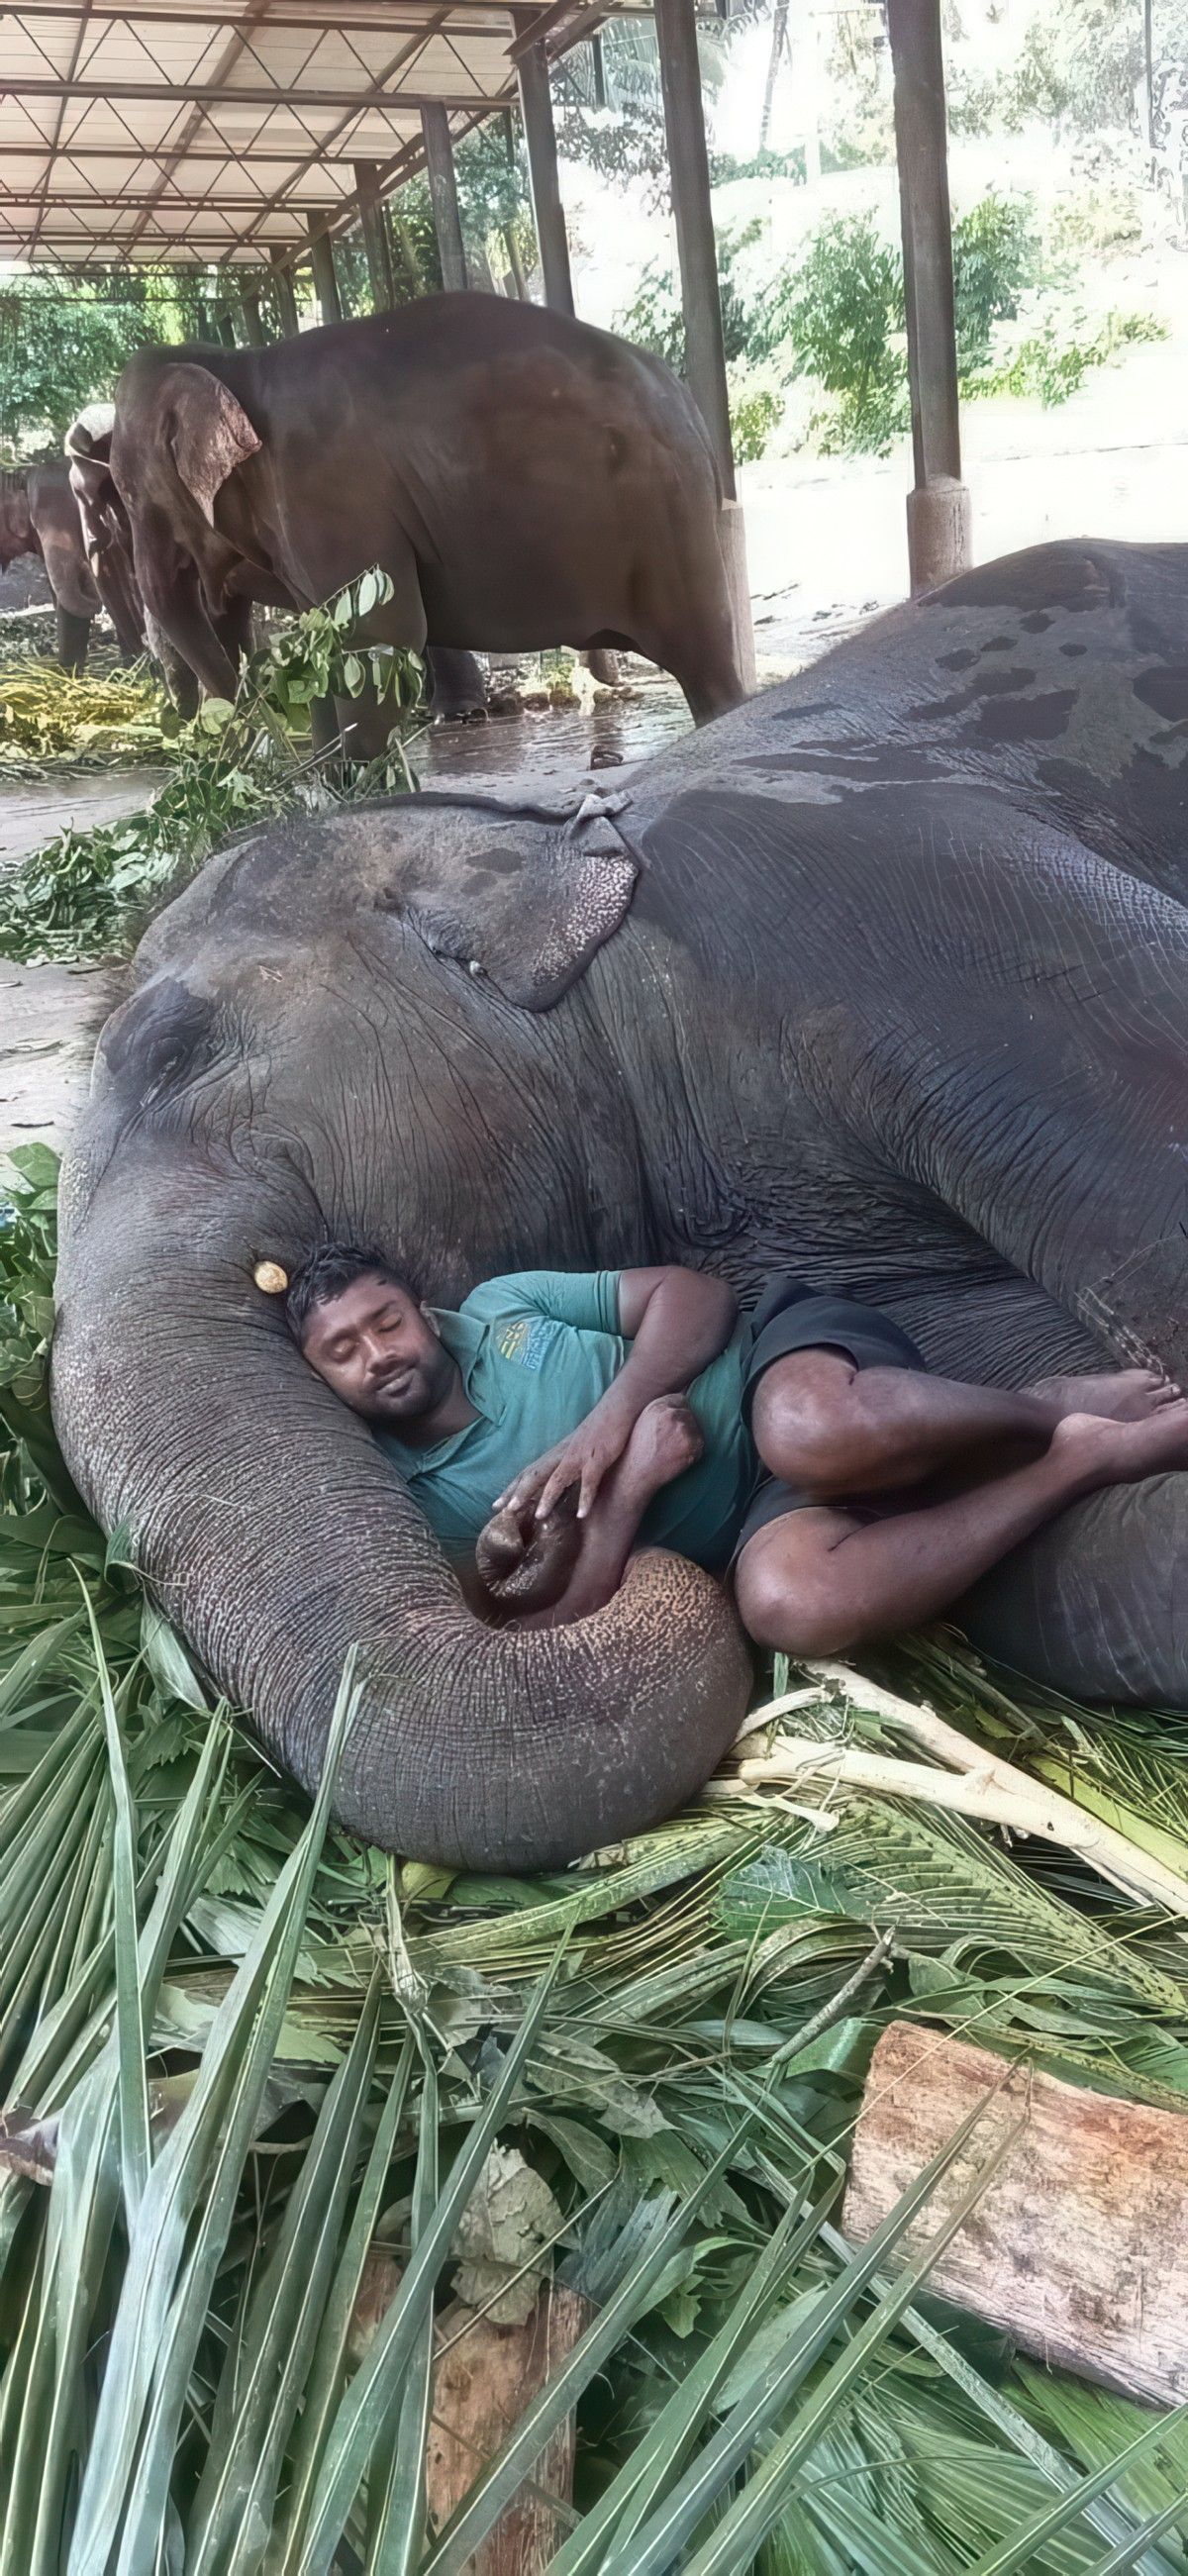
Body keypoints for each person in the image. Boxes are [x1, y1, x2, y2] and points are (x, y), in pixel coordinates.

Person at [284, 1243, 1188, 1653]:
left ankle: (1031, 1411)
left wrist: (612, 1416)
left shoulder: (503, 1306)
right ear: (321, 1379)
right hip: (757, 1517)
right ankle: (1080, 1457)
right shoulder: (413, 1497)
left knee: (810, 1432)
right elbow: (528, 1631)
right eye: (345, 1351)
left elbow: (697, 1297)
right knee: (795, 1606)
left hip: (776, 1373)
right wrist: (632, 1482)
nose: (380, 1355)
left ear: (420, 1311)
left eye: (386, 1322)